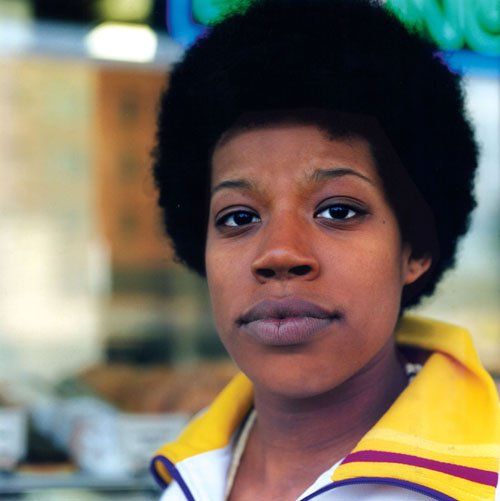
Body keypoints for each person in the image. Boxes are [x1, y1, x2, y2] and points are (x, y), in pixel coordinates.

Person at [149, 0, 500, 499]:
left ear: (416, 248)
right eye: (239, 218)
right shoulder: (188, 473)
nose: (279, 253)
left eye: (338, 210)